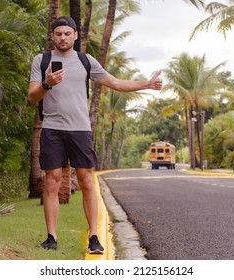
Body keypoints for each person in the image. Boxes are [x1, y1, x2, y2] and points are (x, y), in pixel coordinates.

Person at [28, 16, 162, 254]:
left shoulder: (85, 61)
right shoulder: (42, 60)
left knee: (87, 181)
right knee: (51, 181)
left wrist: (148, 85)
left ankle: (94, 237)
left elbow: (116, 83)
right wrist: (47, 83)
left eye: (67, 33)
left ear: (75, 36)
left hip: (80, 129)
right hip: (52, 129)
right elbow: (31, 97)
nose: (62, 37)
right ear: (52, 36)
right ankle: (51, 237)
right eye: (58, 34)